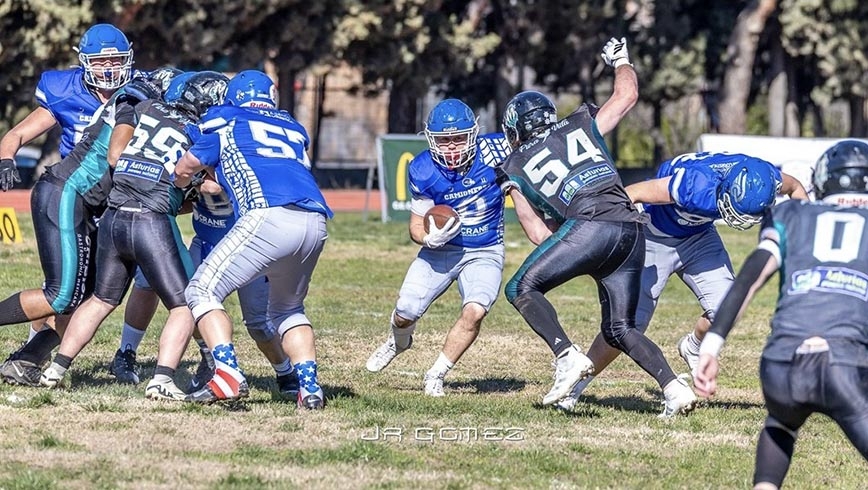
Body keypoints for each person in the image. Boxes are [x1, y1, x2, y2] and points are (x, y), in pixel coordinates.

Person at [498, 37, 697, 417]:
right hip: (632, 228)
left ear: (515, 130)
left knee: (520, 286)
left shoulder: (516, 163)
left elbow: (541, 237)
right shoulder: (579, 125)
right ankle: (674, 389)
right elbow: (626, 96)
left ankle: (566, 355)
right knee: (619, 329)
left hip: (591, 226)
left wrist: (513, 189)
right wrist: (622, 60)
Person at [554, 151, 808, 410]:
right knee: (628, 325)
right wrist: (607, 239)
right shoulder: (695, 183)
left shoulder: (763, 176)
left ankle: (693, 346)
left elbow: (796, 187)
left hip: (699, 236)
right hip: (653, 234)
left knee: (729, 307)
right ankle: (573, 387)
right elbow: (631, 194)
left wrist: (803, 236)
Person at [38, 72, 229, 401]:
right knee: (184, 306)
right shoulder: (200, 132)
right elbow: (203, 185)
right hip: (149, 221)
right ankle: (163, 379)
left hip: (113, 215)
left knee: (101, 300)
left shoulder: (146, 109)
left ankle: (56, 369)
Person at [695, 140, 868, 489]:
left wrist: (711, 346)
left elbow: (750, 277)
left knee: (781, 422)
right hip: (844, 365)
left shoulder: (790, 214)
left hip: (781, 366)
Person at [0, 25, 156, 386]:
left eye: (116, 60)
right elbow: (17, 134)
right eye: (101, 61)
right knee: (63, 291)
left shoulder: (141, 91)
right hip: (72, 194)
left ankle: (28, 359)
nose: (109, 68)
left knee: (96, 293)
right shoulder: (65, 90)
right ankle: (32, 354)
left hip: (117, 199)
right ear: (84, 61)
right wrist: (8, 158)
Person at [173, 70, 332, 408]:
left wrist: (179, 178)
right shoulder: (292, 126)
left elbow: (189, 164)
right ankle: (310, 389)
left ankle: (227, 373)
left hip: (268, 214)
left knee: (201, 290)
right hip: (315, 220)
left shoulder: (223, 118)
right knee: (289, 309)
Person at [365, 99, 511, 396]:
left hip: (485, 249)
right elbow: (416, 225)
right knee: (405, 311)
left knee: (475, 310)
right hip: (441, 250)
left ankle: (436, 373)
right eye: (444, 141)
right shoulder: (422, 168)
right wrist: (428, 239)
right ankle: (399, 341)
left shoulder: (497, 149)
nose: (452, 148)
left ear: (474, 134)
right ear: (431, 139)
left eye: (458, 138)